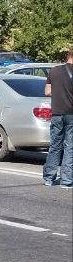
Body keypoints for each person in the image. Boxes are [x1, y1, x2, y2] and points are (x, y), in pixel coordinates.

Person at [43, 48, 73, 189]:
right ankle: (66, 181)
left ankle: (49, 178)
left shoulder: (54, 70)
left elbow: (47, 92)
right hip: (71, 114)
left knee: (55, 145)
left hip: (57, 112)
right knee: (70, 147)